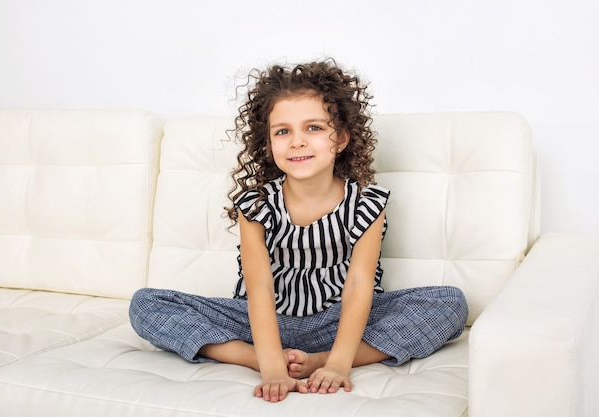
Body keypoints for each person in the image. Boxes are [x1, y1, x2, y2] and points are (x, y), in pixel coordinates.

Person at [129, 59, 469, 403]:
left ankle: (319, 361)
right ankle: (261, 358)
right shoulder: (256, 205)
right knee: (146, 305)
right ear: (268, 144)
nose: (297, 142)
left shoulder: (366, 204)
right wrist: (272, 366)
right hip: (261, 323)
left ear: (341, 138)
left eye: (314, 128)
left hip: (338, 321)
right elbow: (259, 285)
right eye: (283, 131)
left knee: (450, 304)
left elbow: (359, 284)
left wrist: (336, 364)